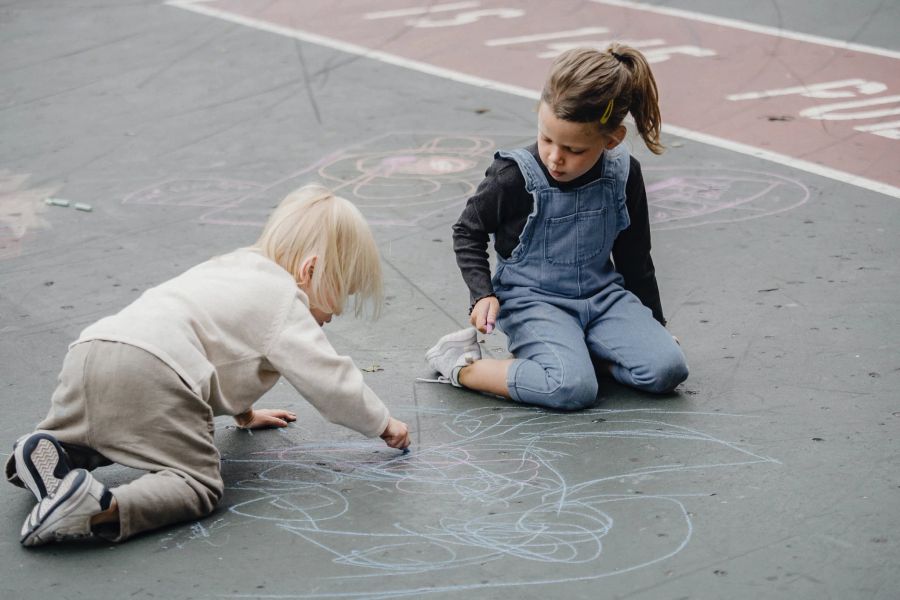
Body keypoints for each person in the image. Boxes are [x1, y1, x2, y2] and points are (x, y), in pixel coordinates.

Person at [8, 184, 410, 546]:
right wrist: (382, 423)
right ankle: (98, 508)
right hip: (156, 371)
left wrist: (245, 413)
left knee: (114, 430)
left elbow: (222, 344)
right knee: (197, 485)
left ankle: (51, 448)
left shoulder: (232, 266)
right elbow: (329, 381)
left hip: (93, 349)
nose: (335, 313)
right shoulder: (286, 300)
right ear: (310, 270)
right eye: (339, 295)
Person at [426, 45, 688, 409]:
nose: (554, 157)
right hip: (533, 301)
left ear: (611, 140)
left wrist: (654, 323)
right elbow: (467, 230)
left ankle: (579, 351)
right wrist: (482, 293)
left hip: (601, 298)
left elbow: (635, 258)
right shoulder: (514, 176)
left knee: (667, 370)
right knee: (570, 388)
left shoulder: (623, 175)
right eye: (546, 138)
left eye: (573, 149)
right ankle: (460, 364)